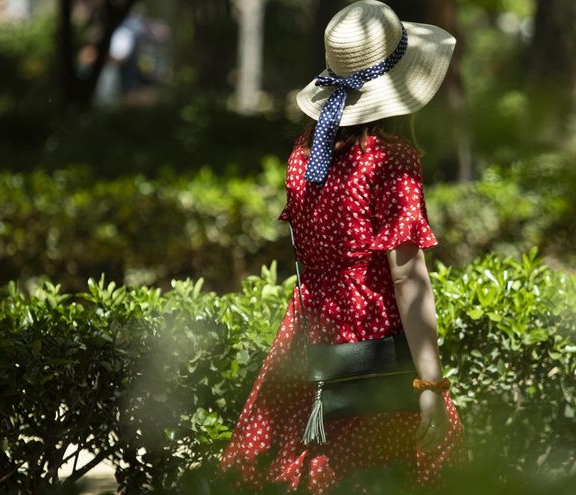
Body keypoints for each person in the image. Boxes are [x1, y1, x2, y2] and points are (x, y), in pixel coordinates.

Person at [218, 1, 467, 493]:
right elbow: (407, 277)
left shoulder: (303, 155)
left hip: (311, 334)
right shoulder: (391, 160)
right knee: (392, 472)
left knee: (298, 469)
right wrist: (432, 385)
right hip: (373, 343)